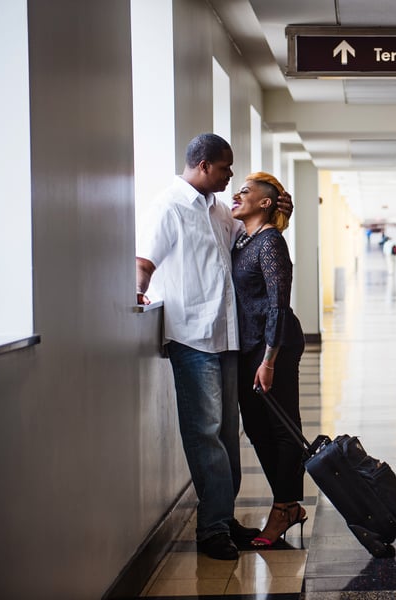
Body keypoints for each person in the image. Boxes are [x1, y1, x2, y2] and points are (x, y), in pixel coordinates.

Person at [135, 133, 289, 560]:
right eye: (226, 168)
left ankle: (222, 517)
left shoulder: (219, 209)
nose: (231, 176)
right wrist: (137, 292)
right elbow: (143, 262)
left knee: (224, 433)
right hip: (192, 337)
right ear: (203, 165)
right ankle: (212, 528)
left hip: (227, 339)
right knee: (205, 435)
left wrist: (278, 205)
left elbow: (257, 225)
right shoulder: (168, 207)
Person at [230, 172, 307, 546]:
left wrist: (270, 359)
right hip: (250, 347)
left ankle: (285, 506)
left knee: (281, 427)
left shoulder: (271, 243)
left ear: (263, 202)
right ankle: (287, 503)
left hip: (274, 346)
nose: (235, 194)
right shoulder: (244, 239)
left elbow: (278, 302)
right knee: (258, 429)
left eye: (244, 191)